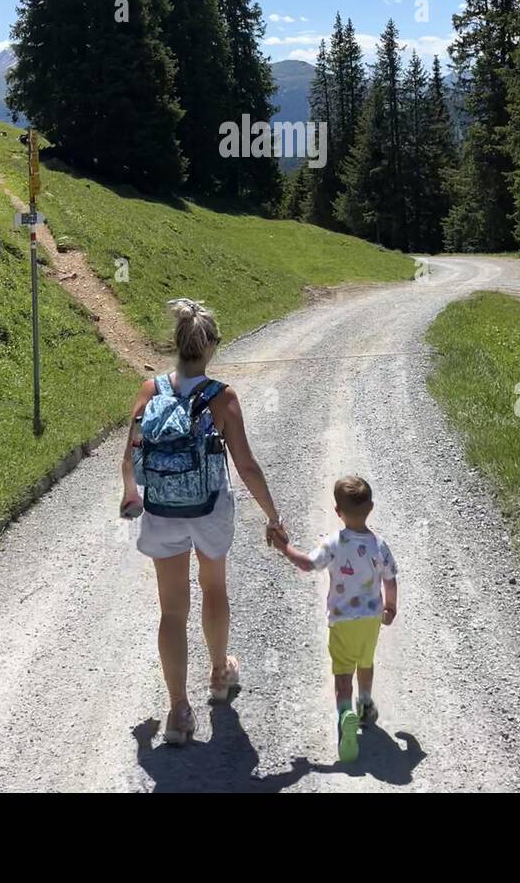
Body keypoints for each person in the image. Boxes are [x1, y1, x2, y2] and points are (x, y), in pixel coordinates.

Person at [120, 298, 287, 744]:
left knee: (172, 609)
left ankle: (177, 712)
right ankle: (218, 675)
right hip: (209, 507)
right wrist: (272, 515)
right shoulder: (220, 396)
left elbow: (132, 453)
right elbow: (247, 465)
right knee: (213, 589)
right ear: (210, 346)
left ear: (175, 343)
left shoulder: (150, 390)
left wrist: (131, 493)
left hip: (162, 510)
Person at [272, 475, 397, 763]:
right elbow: (390, 579)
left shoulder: (334, 544)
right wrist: (390, 607)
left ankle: (345, 713)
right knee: (365, 662)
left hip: (342, 621)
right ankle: (365, 704)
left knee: (343, 674)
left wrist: (284, 548)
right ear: (372, 507)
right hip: (370, 621)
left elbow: (307, 564)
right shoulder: (380, 545)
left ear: (338, 512)